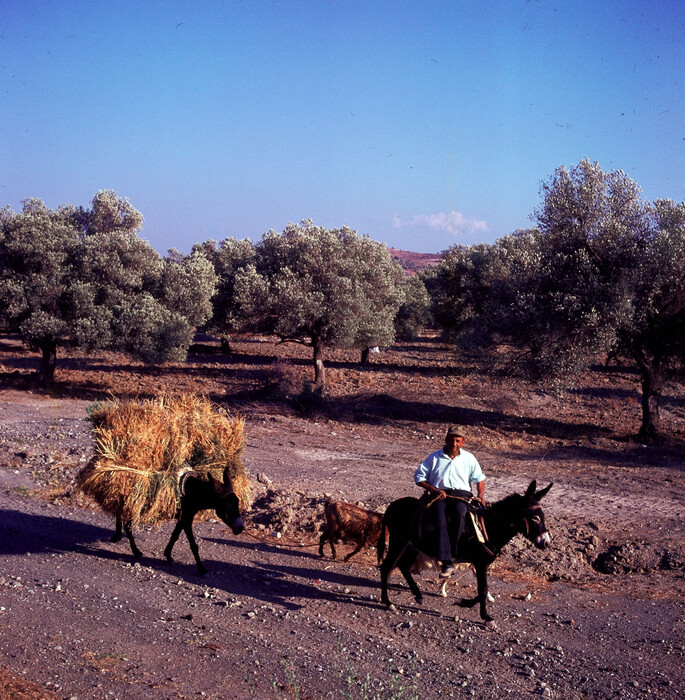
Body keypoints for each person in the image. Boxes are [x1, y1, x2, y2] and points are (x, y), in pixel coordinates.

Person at [414, 426, 486, 578]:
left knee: (460, 514)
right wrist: (433, 489)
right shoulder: (434, 458)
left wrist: (480, 495)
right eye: (451, 440)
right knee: (439, 518)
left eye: (458, 441)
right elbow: (419, 477)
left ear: (463, 442)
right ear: (446, 440)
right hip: (439, 494)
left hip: (462, 495)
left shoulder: (469, 458)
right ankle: (446, 562)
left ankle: (454, 553)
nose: (454, 444)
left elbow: (479, 478)